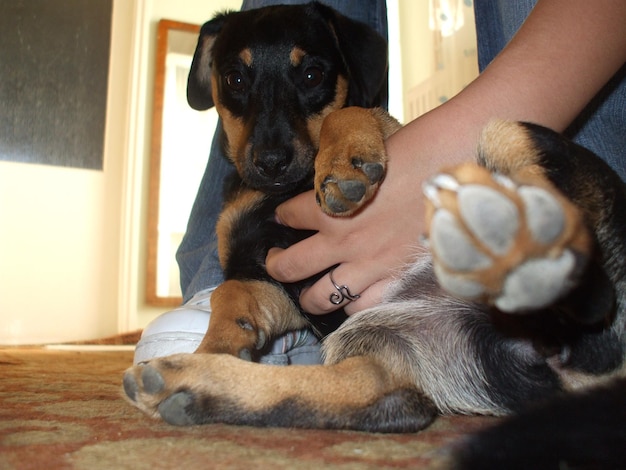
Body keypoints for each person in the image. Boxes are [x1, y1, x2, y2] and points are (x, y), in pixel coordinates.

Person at [135, 0, 626, 364]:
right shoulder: (237, 208)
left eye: (308, 78)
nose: (271, 143)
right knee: (241, 276)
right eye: (238, 83)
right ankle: (230, 313)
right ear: (212, 76)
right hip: (387, 337)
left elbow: (379, 132)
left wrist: (351, 123)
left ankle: (582, 261)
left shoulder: (350, 128)